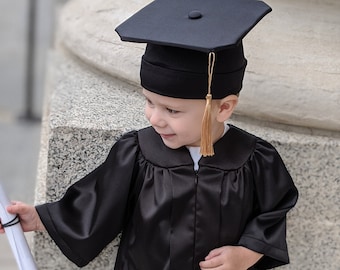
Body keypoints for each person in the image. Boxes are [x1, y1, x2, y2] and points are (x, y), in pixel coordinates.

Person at [0, 0, 298, 269]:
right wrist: (41, 218)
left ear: (223, 109)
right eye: (149, 101)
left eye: (172, 110)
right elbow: (98, 200)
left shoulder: (254, 158)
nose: (155, 118)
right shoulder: (138, 152)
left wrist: (246, 253)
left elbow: (274, 211)